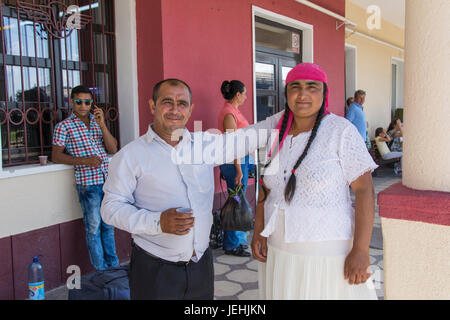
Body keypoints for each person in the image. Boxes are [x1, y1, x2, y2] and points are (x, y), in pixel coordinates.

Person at [100, 79, 282, 300]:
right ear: (152, 106)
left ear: (190, 109)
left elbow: (250, 137)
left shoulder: (204, 144)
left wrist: (296, 107)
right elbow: (110, 208)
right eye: (167, 102)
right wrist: (157, 221)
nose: (175, 110)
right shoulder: (130, 156)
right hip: (155, 268)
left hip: (200, 265)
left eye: (182, 103)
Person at [251, 63, 379, 300]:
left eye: (312, 87)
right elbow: (266, 188)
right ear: (286, 93)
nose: (303, 95)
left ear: (324, 93)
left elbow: (364, 191)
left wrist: (361, 249)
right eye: (295, 87)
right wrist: (259, 230)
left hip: (326, 254)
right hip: (279, 250)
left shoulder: (341, 131)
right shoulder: (274, 135)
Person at [52, 85, 119, 271]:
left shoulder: (97, 122)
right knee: (94, 228)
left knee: (109, 225)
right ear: (71, 102)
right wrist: (84, 161)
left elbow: (113, 149)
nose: (83, 105)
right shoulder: (64, 126)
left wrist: (103, 124)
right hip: (88, 184)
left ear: (92, 104)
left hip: (107, 181)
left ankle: (113, 268)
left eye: (87, 102)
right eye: (79, 101)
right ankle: (101, 271)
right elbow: (56, 156)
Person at [218, 80, 252, 257]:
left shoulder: (234, 111)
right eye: (245, 93)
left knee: (238, 199)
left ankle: (236, 241)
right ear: (238, 94)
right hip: (234, 163)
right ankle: (232, 244)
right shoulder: (229, 113)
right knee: (236, 201)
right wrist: (239, 169)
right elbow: (232, 145)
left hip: (241, 161)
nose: (246, 97)